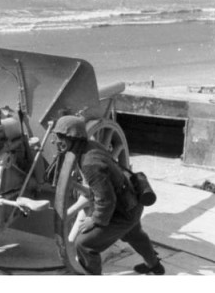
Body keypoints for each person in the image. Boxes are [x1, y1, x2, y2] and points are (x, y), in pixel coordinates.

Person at [53, 116, 164, 275]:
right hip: (131, 202)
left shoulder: (90, 164)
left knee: (84, 244)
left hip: (122, 211)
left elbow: (106, 200)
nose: (56, 141)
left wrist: (95, 219)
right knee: (135, 235)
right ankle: (155, 266)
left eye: (60, 137)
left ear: (73, 138)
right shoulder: (91, 146)